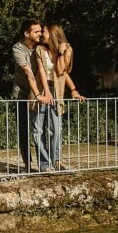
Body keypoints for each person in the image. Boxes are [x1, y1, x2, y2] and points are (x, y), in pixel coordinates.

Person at [41, 23, 86, 170]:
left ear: (53, 34)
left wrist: (73, 90)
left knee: (56, 129)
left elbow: (61, 71)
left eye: (44, 32)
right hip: (42, 89)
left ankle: (57, 161)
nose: (42, 34)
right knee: (41, 130)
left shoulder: (66, 50)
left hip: (56, 90)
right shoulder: (42, 49)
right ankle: (46, 163)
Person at [12, 20, 53, 172]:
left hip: (39, 93)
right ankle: (28, 165)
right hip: (22, 94)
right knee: (23, 130)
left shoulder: (41, 47)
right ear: (26, 33)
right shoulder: (18, 48)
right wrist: (36, 94)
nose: (40, 34)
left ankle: (45, 163)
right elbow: (28, 73)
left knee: (40, 129)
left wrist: (64, 47)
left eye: (40, 31)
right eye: (36, 31)